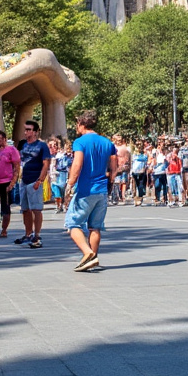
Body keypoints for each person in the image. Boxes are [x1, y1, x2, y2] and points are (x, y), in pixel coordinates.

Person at [65, 110, 117, 272]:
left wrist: (70, 184)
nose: (76, 128)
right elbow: (114, 168)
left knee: (72, 223)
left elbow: (77, 164)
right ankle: (93, 257)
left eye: (76, 124)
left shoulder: (80, 142)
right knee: (95, 227)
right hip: (101, 190)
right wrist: (110, 181)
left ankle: (88, 254)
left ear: (82, 124)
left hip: (86, 189)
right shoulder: (107, 142)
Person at [15, 120, 51, 248]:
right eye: (25, 129)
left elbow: (46, 163)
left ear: (35, 132)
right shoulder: (23, 145)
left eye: (29, 129)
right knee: (25, 209)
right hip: (24, 180)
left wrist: (40, 180)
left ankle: (37, 235)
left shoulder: (42, 145)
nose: (26, 132)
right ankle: (28, 233)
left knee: (36, 209)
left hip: (35, 180)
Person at [112, 134, 131, 205]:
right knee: (116, 182)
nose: (118, 141)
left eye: (120, 140)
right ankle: (116, 196)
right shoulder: (113, 147)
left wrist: (129, 167)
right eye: (117, 140)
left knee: (124, 182)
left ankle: (123, 196)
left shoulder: (126, 148)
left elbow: (129, 157)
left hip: (125, 167)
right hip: (116, 166)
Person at [130, 142, 148, 207]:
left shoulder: (144, 156)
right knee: (134, 186)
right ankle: (135, 200)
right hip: (134, 172)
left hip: (141, 172)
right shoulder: (134, 155)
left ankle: (140, 199)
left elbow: (146, 163)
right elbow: (131, 163)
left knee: (140, 186)